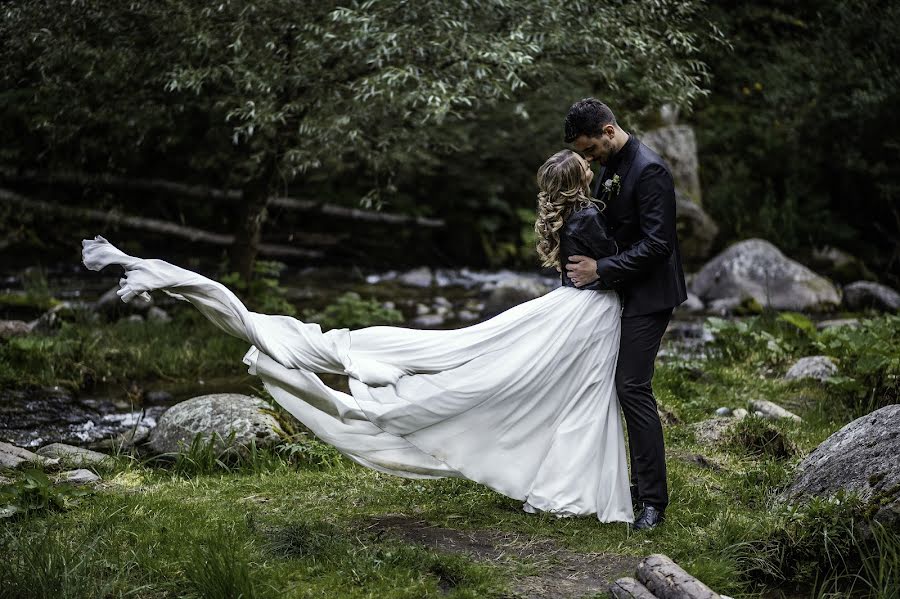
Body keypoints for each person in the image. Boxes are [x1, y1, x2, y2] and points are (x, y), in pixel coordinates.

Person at [81, 149, 634, 524]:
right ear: (577, 183)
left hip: (577, 315)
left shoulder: (573, 218)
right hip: (583, 316)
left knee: (551, 391)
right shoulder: (585, 219)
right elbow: (616, 266)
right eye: (585, 173)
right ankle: (569, 490)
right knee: (538, 388)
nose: (591, 175)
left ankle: (566, 485)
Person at [563, 98, 687, 530]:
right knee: (612, 387)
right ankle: (626, 485)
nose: (588, 159)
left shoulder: (650, 171)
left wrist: (601, 269)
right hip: (619, 291)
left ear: (608, 131)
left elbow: (658, 246)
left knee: (632, 388)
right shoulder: (612, 167)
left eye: (590, 149)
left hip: (650, 294)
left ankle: (652, 502)